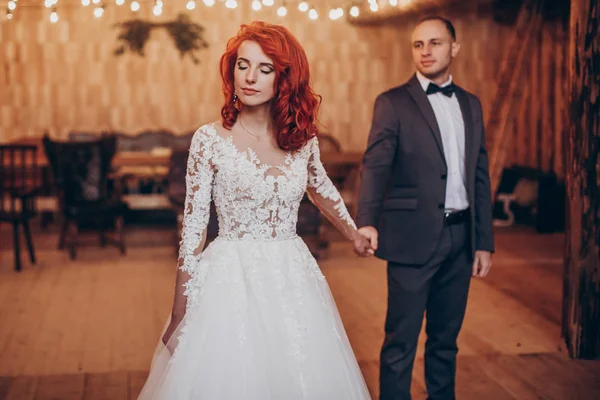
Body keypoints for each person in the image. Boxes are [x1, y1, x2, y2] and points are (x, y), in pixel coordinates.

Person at [137, 21, 374, 400]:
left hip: (292, 274)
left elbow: (321, 188)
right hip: (228, 279)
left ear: (284, 79)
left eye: (265, 69)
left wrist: (355, 232)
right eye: (242, 65)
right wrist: (180, 311)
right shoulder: (209, 140)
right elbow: (194, 228)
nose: (249, 77)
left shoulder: (302, 140)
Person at [354, 16, 495, 400]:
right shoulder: (393, 102)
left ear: (454, 48)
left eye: (434, 43)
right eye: (418, 44)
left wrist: (484, 241)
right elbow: (376, 165)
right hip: (411, 237)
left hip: (462, 237)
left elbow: (479, 174)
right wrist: (365, 222)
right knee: (400, 342)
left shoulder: (470, 105)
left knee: (446, 342)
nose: (426, 51)